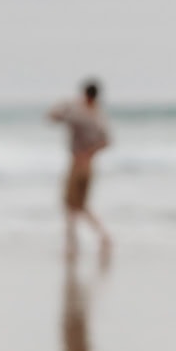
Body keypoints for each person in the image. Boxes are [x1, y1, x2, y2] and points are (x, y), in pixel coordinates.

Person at [47, 78, 112, 260]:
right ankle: (101, 236)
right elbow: (107, 141)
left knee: (69, 206)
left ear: (85, 94)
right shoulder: (99, 115)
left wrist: (66, 103)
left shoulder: (79, 112)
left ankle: (72, 245)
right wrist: (90, 154)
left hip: (77, 164)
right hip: (89, 165)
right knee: (81, 206)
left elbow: (52, 117)